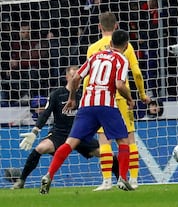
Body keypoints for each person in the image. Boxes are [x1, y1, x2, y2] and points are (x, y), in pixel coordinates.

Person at [39, 30, 135, 194]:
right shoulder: (122, 59)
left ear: (110, 43)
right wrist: (129, 98)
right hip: (106, 105)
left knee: (70, 143)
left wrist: (72, 98)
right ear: (125, 45)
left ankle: (49, 175)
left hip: (86, 105)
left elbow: (76, 77)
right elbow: (119, 85)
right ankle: (123, 179)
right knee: (123, 142)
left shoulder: (95, 57)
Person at [11, 66, 118, 189]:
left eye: (77, 76)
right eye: (72, 76)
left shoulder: (86, 95)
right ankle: (21, 181)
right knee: (41, 148)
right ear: (66, 77)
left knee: (107, 153)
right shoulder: (56, 94)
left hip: (80, 134)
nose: (75, 79)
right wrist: (35, 131)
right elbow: (46, 113)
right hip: (60, 133)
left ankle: (120, 179)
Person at [84, 12, 150, 191]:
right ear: (116, 26)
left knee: (104, 139)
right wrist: (142, 95)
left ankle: (106, 182)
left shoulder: (93, 48)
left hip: (100, 98)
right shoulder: (125, 45)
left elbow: (86, 78)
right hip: (121, 97)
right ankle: (133, 179)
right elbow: (136, 73)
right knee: (128, 138)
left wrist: (85, 99)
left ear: (99, 26)